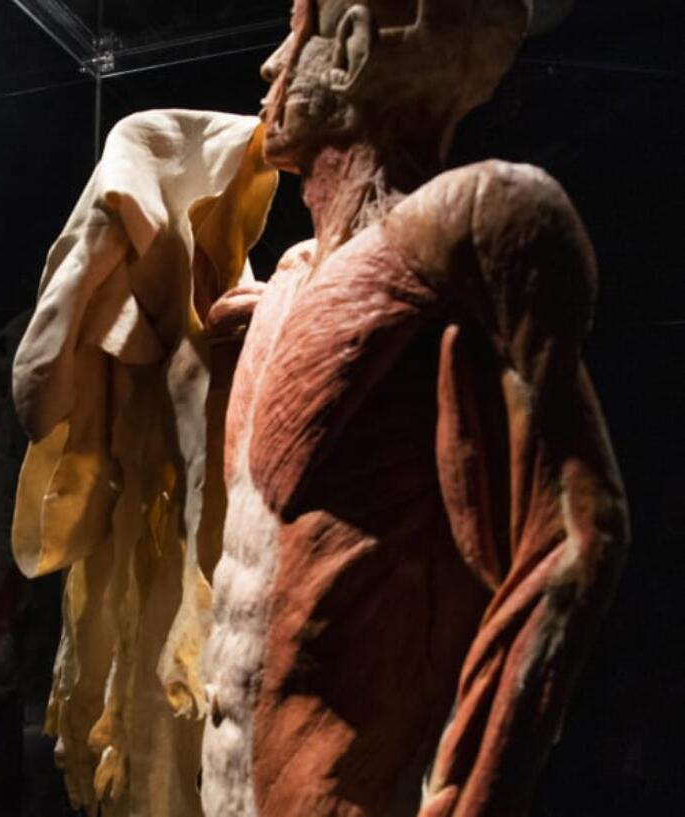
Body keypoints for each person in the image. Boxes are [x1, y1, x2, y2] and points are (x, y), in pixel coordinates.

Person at [200, 2, 628, 816]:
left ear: (353, 47)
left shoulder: (473, 225)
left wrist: (469, 795)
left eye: (297, 31)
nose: (269, 66)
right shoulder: (290, 279)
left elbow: (574, 537)